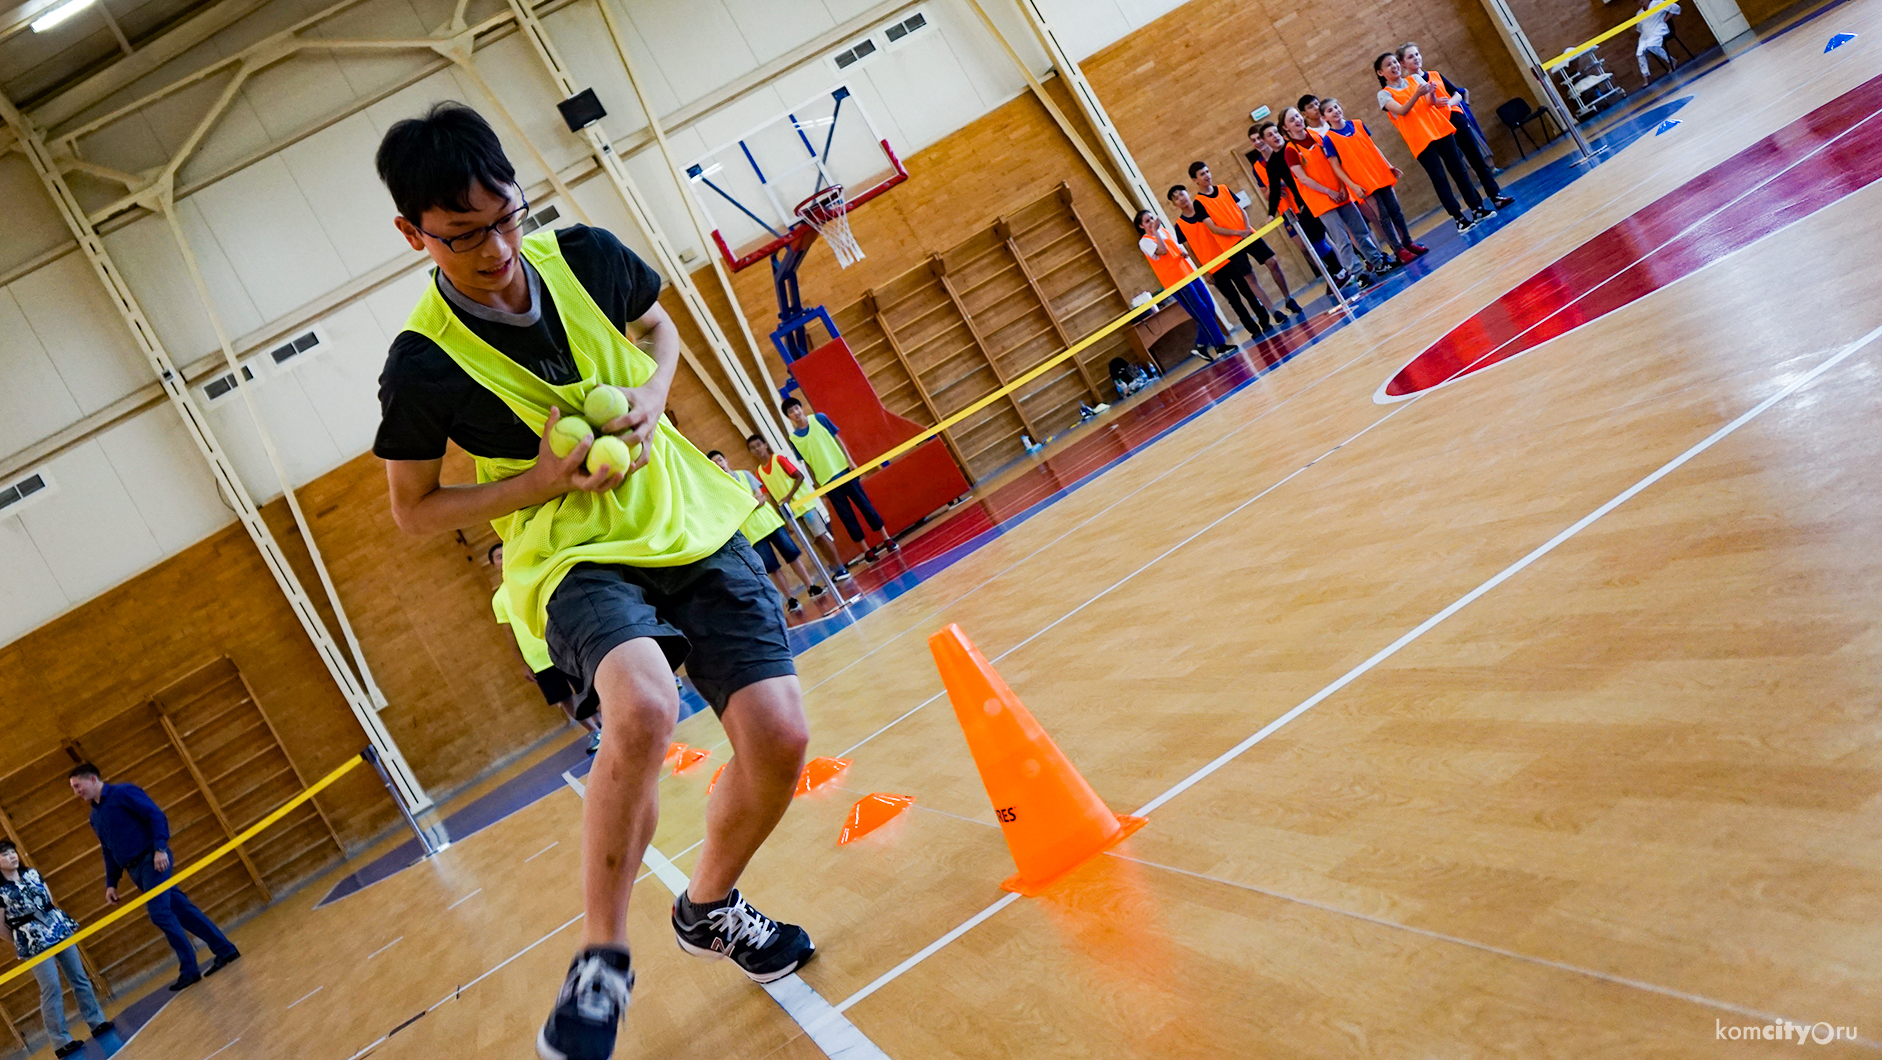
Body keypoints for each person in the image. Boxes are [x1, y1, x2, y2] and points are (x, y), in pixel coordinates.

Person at [371, 103, 813, 1060]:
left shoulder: (585, 257)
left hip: (684, 515)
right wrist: (536, 481)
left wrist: (655, 397)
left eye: (503, 219)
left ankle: (709, 908)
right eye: (461, 236)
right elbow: (412, 509)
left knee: (780, 736)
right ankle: (602, 958)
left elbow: (659, 331)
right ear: (413, 235)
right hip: (568, 552)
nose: (493, 248)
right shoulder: (420, 365)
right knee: (645, 705)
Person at [69, 764, 239, 992]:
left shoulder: (124, 793)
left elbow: (155, 815)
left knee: (159, 914)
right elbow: (108, 851)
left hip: (153, 861)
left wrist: (160, 848)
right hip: (135, 870)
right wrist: (111, 883)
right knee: (182, 910)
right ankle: (225, 949)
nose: (76, 792)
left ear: (91, 779)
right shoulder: (95, 816)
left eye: (77, 786)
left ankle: (189, 969)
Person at [1, 840, 111, 1058]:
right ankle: (61, 1041)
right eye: (5, 854)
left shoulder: (32, 873)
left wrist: (53, 923)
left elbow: (49, 899)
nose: (12, 856)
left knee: (79, 977)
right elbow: (1, 927)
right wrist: (21, 940)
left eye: (13, 852)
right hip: (33, 942)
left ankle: (96, 1021)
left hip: (58, 928)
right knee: (51, 987)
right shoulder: (0, 891)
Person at [491, 543, 602, 754]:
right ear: (494, 565)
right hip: (538, 659)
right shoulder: (498, 600)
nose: (504, 558)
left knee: (588, 687)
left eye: (506, 553)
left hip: (561, 647)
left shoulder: (533, 579)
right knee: (564, 698)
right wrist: (522, 664)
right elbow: (509, 633)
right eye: (498, 557)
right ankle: (595, 731)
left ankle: (609, 724)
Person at [707, 449, 828, 615]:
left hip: (772, 523)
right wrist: (750, 503)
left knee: (792, 555)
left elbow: (761, 498)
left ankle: (811, 586)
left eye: (720, 460)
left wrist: (749, 504)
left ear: (726, 460)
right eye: (714, 464)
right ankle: (790, 599)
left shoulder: (745, 475)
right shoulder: (722, 490)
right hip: (753, 533)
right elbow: (734, 510)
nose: (719, 465)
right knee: (772, 568)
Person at [1376, 51, 1486, 233]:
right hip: (1420, 138)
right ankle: (1459, 218)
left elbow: (1430, 102)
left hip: (1439, 129)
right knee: (1440, 178)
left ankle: (1477, 208)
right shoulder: (1384, 94)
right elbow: (1402, 111)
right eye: (1388, 64)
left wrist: (1432, 93)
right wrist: (1417, 94)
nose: (1394, 66)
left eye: (1395, 62)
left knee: (1459, 169)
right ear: (1381, 73)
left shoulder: (1415, 80)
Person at [1397, 43, 1513, 211]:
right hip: (1437, 128)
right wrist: (1434, 104)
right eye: (1410, 56)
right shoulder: (1409, 85)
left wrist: (1448, 104)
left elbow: (1458, 92)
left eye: (1416, 54)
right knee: (1458, 168)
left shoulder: (1435, 75)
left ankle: (1495, 195)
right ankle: (1477, 206)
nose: (1415, 58)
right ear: (1402, 63)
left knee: (1476, 158)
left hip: (1454, 118)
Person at [1281, 108, 1392, 281]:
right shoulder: (1290, 151)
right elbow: (1303, 179)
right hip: (1322, 201)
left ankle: (1377, 263)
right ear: (1286, 128)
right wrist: (1329, 192)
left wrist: (1341, 186)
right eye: (1291, 119)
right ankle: (1358, 273)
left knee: (1360, 230)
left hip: (1341, 194)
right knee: (1342, 239)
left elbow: (1335, 163)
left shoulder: (1318, 137)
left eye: (1297, 116)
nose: (1296, 120)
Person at [781, 398, 897, 561]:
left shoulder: (820, 418)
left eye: (796, 408)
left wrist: (850, 460)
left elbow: (837, 439)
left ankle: (887, 539)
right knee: (846, 516)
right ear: (789, 417)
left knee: (865, 506)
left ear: (801, 407)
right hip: (828, 482)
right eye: (791, 411)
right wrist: (816, 484)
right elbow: (806, 462)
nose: (796, 412)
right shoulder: (794, 439)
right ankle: (867, 551)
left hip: (844, 470)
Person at [1191, 161, 1304, 321]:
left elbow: (1240, 209)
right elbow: (1213, 228)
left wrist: (1246, 228)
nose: (1207, 176)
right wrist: (1238, 233)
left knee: (1272, 262)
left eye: (1207, 171)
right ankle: (1273, 312)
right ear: (1195, 180)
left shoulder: (1223, 188)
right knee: (1250, 277)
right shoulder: (1199, 203)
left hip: (1248, 234)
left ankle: (1288, 299)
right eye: (1202, 174)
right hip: (1231, 245)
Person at [1318, 98, 1427, 263]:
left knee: (1395, 211)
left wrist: (1388, 165)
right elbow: (1336, 167)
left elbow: (1373, 146)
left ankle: (1408, 242)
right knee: (1382, 217)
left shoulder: (1358, 124)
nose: (1335, 111)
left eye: (1336, 106)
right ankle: (1398, 250)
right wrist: (1353, 186)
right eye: (1329, 110)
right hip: (1363, 182)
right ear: (1325, 118)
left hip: (1380, 173)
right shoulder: (1329, 139)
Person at [1168, 184, 1274, 338]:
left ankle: (1265, 320)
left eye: (1181, 194)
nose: (1181, 199)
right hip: (1214, 267)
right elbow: (1190, 251)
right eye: (1176, 198)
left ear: (1188, 193)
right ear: (1174, 205)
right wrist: (1204, 271)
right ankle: (1253, 329)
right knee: (1234, 300)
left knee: (1247, 290)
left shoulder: (1205, 210)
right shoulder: (1180, 226)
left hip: (1230, 256)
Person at [1250, 122, 1350, 284]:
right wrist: (1270, 213)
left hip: (1324, 192)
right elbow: (1274, 190)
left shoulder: (1293, 148)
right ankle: (1340, 271)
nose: (1275, 136)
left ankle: (1361, 264)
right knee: (1314, 242)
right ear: (1265, 141)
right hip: (1304, 204)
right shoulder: (1272, 164)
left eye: (1276, 132)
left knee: (1345, 231)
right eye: (1270, 135)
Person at [748, 433, 852, 583]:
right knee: (814, 541)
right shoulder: (759, 472)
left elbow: (800, 476)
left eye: (758, 445)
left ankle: (841, 566)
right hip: (791, 514)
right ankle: (834, 567)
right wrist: (783, 518)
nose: (757, 449)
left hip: (804, 505)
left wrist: (789, 497)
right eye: (752, 448)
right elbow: (770, 495)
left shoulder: (779, 459)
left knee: (821, 535)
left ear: (765, 445)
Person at [1135, 210, 1236, 362]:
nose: (1151, 222)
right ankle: (1220, 346)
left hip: (1188, 274)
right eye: (1147, 221)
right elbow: (1161, 251)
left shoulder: (1162, 231)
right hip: (1176, 281)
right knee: (1200, 311)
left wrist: (1182, 252)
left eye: (1151, 219)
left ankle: (1200, 345)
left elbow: (1174, 247)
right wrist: (1155, 231)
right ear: (1141, 226)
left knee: (1209, 306)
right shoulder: (1145, 241)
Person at [1630, 2, 1682, 78]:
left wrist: (1665, 19)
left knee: (1651, 45)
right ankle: (1645, 77)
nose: (1641, 0)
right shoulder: (1639, 13)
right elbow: (1640, 28)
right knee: (1639, 53)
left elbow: (1675, 8)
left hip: (1659, 29)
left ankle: (1671, 61)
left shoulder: (1657, 2)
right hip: (1646, 34)